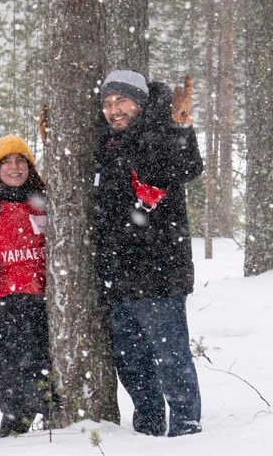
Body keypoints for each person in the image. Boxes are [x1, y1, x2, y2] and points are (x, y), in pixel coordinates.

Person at [92, 69, 203, 437]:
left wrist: (181, 128)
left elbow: (189, 166)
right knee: (131, 363)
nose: (114, 110)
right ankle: (148, 427)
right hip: (117, 275)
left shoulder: (158, 130)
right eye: (108, 103)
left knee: (171, 358)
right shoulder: (106, 143)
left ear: (138, 102)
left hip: (159, 272)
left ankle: (186, 426)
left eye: (121, 101)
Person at [0, 134, 53, 437]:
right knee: (14, 379)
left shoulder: (45, 202)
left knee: (46, 374)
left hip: (41, 303)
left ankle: (56, 438)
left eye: (21, 160)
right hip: (0, 306)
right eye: (7, 162)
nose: (15, 167)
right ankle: (12, 439)